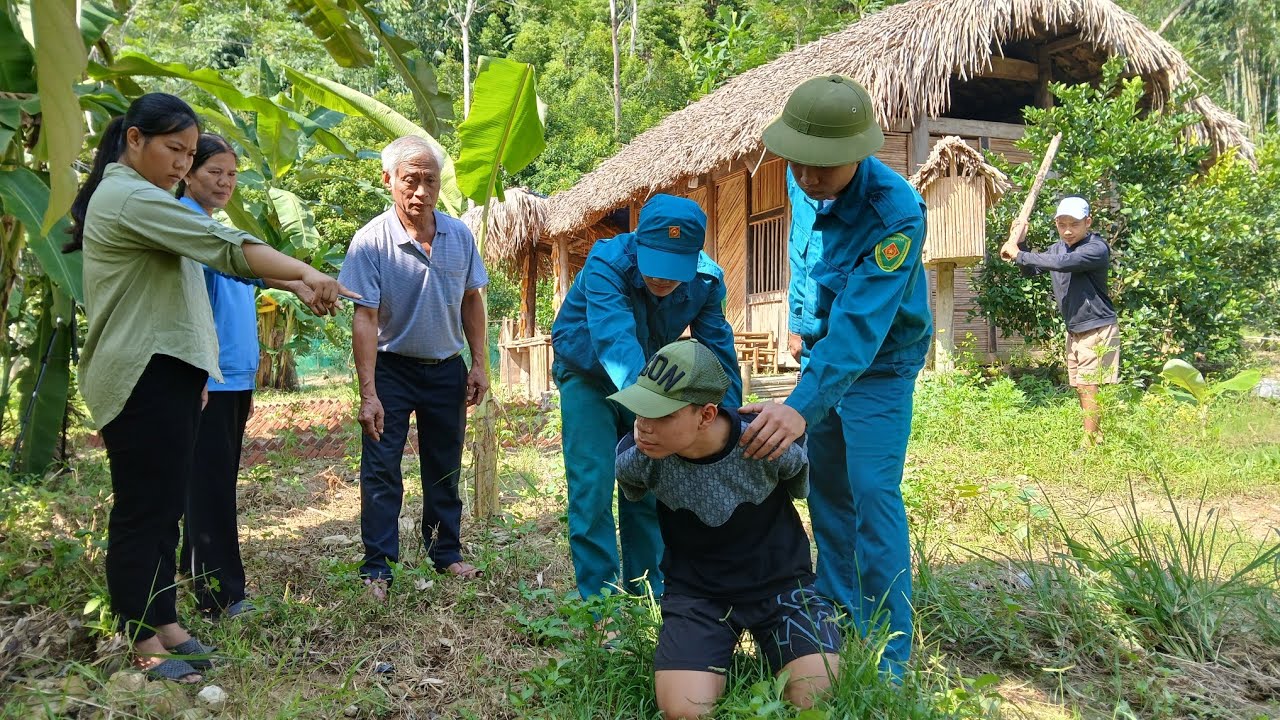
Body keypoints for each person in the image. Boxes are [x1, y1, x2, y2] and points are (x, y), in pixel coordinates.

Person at [69, 93, 354, 683]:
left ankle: (165, 619)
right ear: (134, 140)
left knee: (167, 504)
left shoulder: (144, 198)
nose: (182, 164)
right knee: (146, 509)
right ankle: (143, 638)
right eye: (176, 150)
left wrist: (199, 370)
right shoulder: (128, 196)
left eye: (190, 153)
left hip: (167, 370)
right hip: (140, 371)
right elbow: (223, 247)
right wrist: (304, 272)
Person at [741, 74, 933, 676]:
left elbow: (860, 329)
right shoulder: (803, 181)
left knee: (873, 494)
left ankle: (889, 650)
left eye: (825, 166)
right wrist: (800, 323)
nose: (810, 177)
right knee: (827, 492)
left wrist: (799, 405)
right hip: (820, 353)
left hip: (879, 363)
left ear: (860, 152)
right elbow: (806, 257)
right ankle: (838, 609)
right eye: (801, 163)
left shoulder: (895, 213)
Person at [612, 339, 841, 719]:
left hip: (782, 589)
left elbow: (801, 482)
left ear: (706, 414)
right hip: (698, 597)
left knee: (814, 698)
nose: (643, 429)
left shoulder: (766, 444)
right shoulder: (637, 461)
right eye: (640, 410)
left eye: (662, 415)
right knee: (684, 711)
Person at [550, 194, 741, 604]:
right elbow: (614, 341)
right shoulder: (607, 263)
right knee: (593, 484)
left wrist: (733, 419)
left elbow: (717, 351)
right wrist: (654, 410)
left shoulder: (706, 281)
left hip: (650, 379)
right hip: (589, 375)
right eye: (654, 266)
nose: (662, 280)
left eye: (674, 271)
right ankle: (599, 603)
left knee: (647, 481)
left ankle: (646, 595)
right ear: (638, 243)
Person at [174, 133, 326, 618]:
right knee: (209, 487)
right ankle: (221, 597)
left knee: (210, 483)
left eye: (231, 174)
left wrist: (300, 282)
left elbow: (251, 272)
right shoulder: (187, 229)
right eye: (213, 171)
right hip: (208, 380)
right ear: (187, 172)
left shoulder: (215, 230)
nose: (224, 182)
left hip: (234, 378)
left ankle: (196, 577)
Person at [338, 135, 490, 600]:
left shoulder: (458, 236)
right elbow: (363, 318)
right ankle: (377, 568)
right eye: (410, 180)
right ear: (388, 181)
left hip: (446, 367)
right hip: (391, 369)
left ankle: (446, 553)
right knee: (382, 467)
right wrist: (369, 393)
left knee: (444, 464)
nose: (421, 191)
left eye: (430, 180)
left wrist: (480, 364)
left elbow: (471, 298)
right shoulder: (370, 242)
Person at [1000, 196, 1119, 446]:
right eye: (1061, 224)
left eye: (1074, 224)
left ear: (1088, 222)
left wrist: (1020, 254)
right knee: (1081, 385)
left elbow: (1063, 264)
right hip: (1075, 328)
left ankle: (1091, 441)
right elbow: (1033, 270)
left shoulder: (1096, 249)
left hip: (1096, 326)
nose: (1067, 230)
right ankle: (1096, 435)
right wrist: (1021, 241)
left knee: (1088, 386)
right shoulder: (1058, 248)